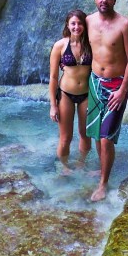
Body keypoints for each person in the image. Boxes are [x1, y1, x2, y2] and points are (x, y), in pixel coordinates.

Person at [86, 0, 128, 201]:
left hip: (115, 86)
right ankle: (102, 168)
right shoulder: (88, 21)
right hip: (94, 83)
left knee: (106, 138)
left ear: (114, 0)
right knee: (97, 134)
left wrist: (123, 90)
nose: (104, 1)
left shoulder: (125, 25)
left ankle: (103, 184)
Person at [48, 9, 93, 167]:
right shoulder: (60, 46)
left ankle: (81, 163)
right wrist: (53, 105)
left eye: (80, 23)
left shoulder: (91, 44)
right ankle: (64, 167)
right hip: (65, 94)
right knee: (65, 137)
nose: (76, 26)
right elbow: (53, 77)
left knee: (85, 134)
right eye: (73, 23)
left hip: (86, 95)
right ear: (68, 25)